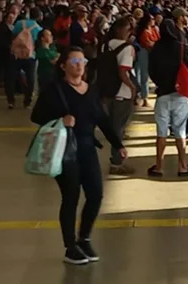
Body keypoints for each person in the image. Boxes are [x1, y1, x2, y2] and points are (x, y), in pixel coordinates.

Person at [30, 47, 127, 265]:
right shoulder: (54, 89)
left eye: (82, 60)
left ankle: (84, 238)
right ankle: (69, 246)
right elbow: (36, 116)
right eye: (74, 60)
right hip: (64, 150)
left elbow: (102, 119)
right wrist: (60, 119)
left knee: (96, 194)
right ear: (63, 65)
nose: (79, 64)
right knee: (71, 197)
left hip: (86, 148)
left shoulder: (91, 90)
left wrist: (117, 144)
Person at [147, 19, 188, 177]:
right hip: (179, 94)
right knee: (180, 131)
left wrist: (161, 82)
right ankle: (182, 166)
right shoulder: (180, 47)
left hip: (162, 94)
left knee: (161, 131)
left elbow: (151, 71)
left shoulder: (156, 48)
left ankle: (159, 166)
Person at [100, 18, 137, 176]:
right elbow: (123, 72)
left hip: (106, 91)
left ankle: (114, 160)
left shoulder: (104, 45)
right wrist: (133, 87)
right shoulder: (127, 48)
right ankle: (116, 163)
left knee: (112, 127)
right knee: (118, 129)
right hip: (122, 92)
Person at [8, 7, 44, 110]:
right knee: (30, 78)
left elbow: (13, 35)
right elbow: (38, 43)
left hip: (16, 54)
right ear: (38, 16)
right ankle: (27, 101)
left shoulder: (19, 23)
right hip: (30, 56)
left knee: (11, 77)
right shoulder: (38, 28)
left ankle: (11, 101)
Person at [135, 12, 158, 108]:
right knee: (143, 75)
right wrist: (154, 43)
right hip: (143, 53)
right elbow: (147, 43)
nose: (153, 20)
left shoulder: (153, 30)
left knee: (144, 75)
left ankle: (142, 96)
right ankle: (144, 97)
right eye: (152, 19)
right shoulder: (144, 31)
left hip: (151, 53)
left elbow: (157, 41)